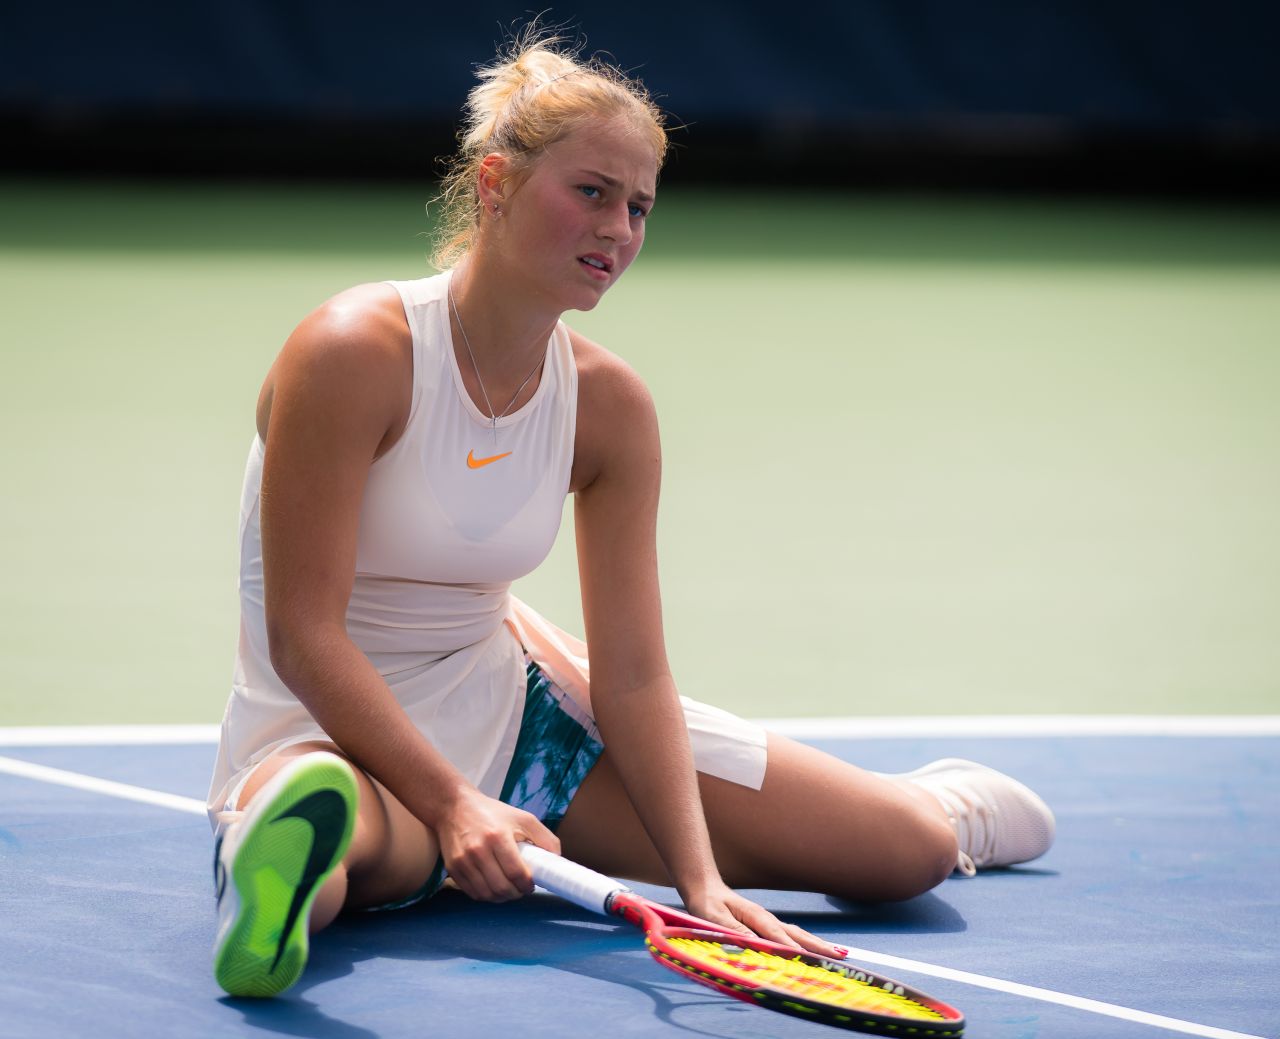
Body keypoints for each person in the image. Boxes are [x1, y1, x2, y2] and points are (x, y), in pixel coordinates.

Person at [207, 32, 1055, 999]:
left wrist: (700, 882)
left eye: (640, 205)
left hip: (517, 719)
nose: (618, 227)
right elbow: (302, 632)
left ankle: (938, 805)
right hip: (330, 728)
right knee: (343, 852)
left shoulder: (609, 406)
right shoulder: (355, 350)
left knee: (907, 852)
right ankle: (271, 854)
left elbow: (635, 670)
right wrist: (453, 804)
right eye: (592, 191)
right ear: (494, 186)